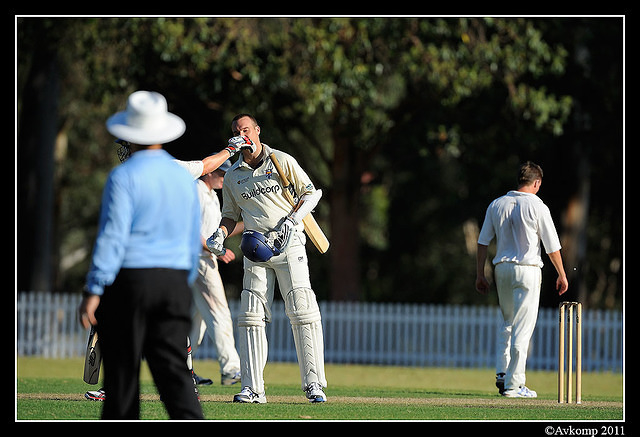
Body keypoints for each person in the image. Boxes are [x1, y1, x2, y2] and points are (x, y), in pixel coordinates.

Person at [77, 90, 204, 419]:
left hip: (129, 282)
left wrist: (94, 288)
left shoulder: (123, 177)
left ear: (129, 134)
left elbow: (112, 237)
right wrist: (181, 280)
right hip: (175, 282)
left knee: (121, 383)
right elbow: (192, 239)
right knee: (175, 377)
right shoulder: (182, 178)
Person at [206, 113, 327, 403]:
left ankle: (314, 384)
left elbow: (312, 193)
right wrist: (220, 234)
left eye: (246, 129)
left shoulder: (281, 161)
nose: (242, 135)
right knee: (250, 315)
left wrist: (293, 219)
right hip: (255, 247)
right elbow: (230, 215)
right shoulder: (233, 176)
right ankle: (252, 387)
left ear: (257, 131)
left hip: (290, 243)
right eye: (237, 131)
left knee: (302, 310)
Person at [475, 161, 569, 398]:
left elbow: (482, 242)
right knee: (523, 328)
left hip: (502, 269)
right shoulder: (538, 206)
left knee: (507, 321)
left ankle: (502, 372)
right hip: (528, 269)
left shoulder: (497, 204)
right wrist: (562, 273)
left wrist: (480, 274)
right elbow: (552, 247)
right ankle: (514, 385)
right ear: (536, 183)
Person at [190, 160, 243, 386]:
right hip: (200, 259)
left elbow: (217, 232)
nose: (224, 176)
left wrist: (254, 221)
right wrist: (216, 250)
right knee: (219, 312)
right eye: (221, 172)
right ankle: (231, 369)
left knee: (196, 319)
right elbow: (189, 230)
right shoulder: (196, 191)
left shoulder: (211, 195)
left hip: (202, 258)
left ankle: (183, 370)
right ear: (208, 172)